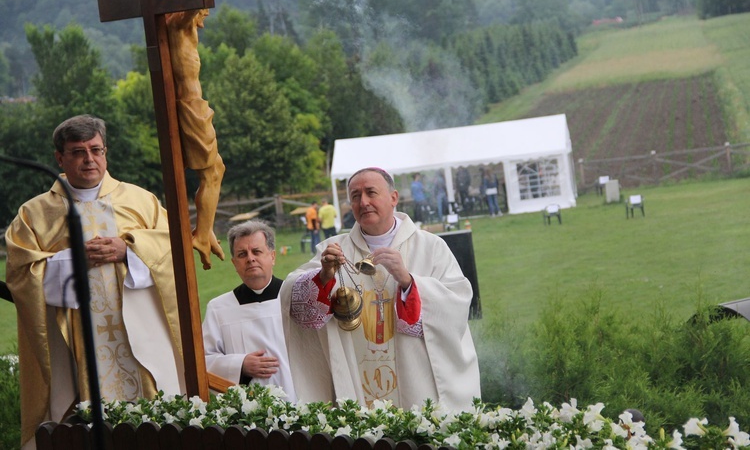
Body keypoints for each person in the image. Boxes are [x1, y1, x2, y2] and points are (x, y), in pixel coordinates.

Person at [4, 115, 184, 449]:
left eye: (96, 150)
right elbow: (20, 273)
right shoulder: (35, 213)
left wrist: (129, 248)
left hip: (139, 338)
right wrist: (73, 261)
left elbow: (174, 252)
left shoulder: (141, 201)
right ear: (60, 158)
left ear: (106, 152)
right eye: (77, 152)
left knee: (152, 425)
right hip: (78, 346)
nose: (89, 159)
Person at [280, 167, 480, 411]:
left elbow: (456, 304)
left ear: (393, 197)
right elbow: (294, 301)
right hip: (357, 381)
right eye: (355, 196)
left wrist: (408, 281)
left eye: (371, 193)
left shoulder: (430, 247)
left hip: (417, 382)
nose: (363, 202)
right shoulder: (333, 249)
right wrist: (323, 277)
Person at [166, 0, 226, 270]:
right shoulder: (178, 25)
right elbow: (185, 14)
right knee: (212, 173)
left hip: (196, 106)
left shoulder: (186, 30)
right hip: (191, 107)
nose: (207, 13)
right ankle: (202, 234)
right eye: (205, 9)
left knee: (216, 169)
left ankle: (205, 230)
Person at [202, 220, 296, 401]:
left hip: (298, 403)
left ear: (273, 256)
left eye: (257, 251)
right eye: (242, 254)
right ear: (234, 263)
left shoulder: (295, 298)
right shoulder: (219, 308)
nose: (250, 258)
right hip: (247, 414)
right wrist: (240, 365)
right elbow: (203, 361)